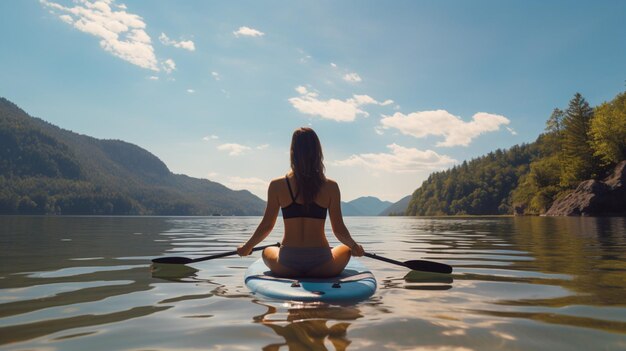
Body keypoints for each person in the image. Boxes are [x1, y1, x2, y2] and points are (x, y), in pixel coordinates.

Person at [237, 127, 364, 278]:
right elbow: (339, 230)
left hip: (288, 265)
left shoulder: (277, 185)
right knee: (345, 248)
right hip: (322, 266)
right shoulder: (331, 187)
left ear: (292, 153)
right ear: (318, 153)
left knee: (267, 251)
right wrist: (355, 247)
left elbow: (267, 226)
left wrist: (247, 247)